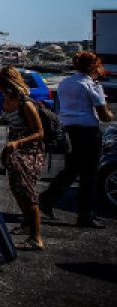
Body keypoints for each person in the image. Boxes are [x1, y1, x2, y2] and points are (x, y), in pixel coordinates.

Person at [39, 51, 113, 228]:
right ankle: (85, 215)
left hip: (69, 131)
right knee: (89, 175)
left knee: (71, 170)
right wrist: (110, 113)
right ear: (93, 66)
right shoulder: (91, 86)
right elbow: (104, 116)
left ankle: (47, 199)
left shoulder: (65, 83)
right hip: (88, 132)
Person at [0, 66, 46, 250]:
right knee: (17, 191)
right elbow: (11, 120)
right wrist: (0, 120)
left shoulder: (26, 104)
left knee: (27, 192)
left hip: (29, 152)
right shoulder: (8, 100)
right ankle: (27, 225)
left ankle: (36, 238)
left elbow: (39, 133)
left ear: (6, 83)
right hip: (14, 152)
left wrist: (18, 142)